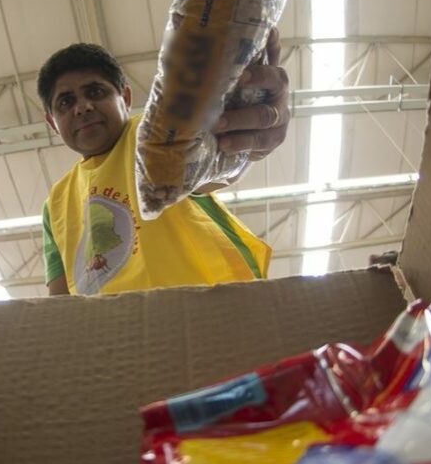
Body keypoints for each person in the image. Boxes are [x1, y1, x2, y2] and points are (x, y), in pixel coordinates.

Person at [37, 29, 291, 296]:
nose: (82, 107)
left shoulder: (153, 133)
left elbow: (217, 161)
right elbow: (59, 305)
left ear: (125, 98)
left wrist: (243, 127)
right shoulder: (55, 205)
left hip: (209, 316)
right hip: (112, 335)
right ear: (52, 122)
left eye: (95, 92)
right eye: (65, 102)